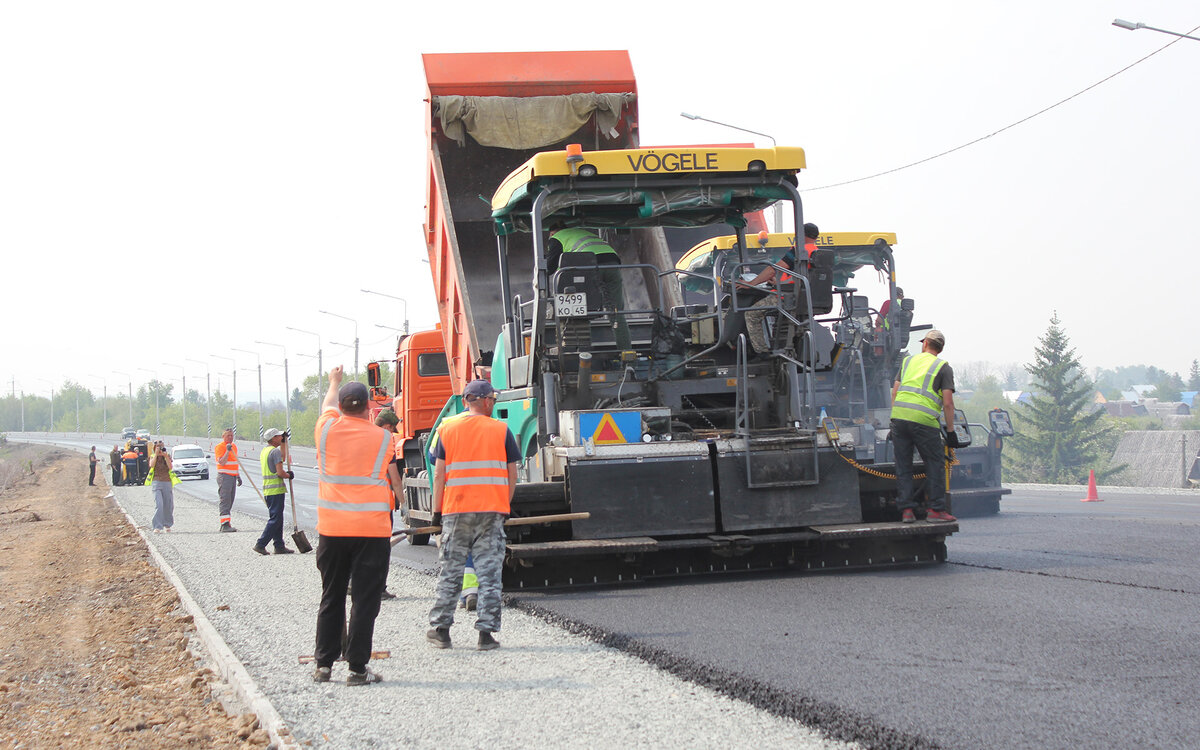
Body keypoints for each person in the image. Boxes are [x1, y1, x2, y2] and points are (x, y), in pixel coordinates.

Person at [312, 366, 393, 686]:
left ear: (341, 406)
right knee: (364, 600)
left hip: (332, 529)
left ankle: (324, 665)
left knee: (331, 596)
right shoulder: (384, 438)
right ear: (368, 408)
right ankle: (358, 669)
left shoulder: (326, 431)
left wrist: (333, 382)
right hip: (371, 532)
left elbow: (326, 406)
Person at [426, 378, 520, 652]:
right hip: (492, 512)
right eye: (492, 399)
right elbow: (511, 473)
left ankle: (441, 631)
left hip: (456, 511)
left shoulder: (448, 428)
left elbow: (440, 474)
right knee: (490, 575)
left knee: (451, 572)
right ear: (485, 401)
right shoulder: (501, 430)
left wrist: (436, 512)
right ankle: (486, 636)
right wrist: (506, 503)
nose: (494, 403)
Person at [890, 329, 958, 524]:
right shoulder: (943, 367)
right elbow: (947, 403)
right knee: (934, 464)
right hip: (924, 422)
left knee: (903, 466)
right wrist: (951, 431)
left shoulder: (908, 362)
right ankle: (936, 511)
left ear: (926, 343)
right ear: (940, 348)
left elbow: (895, 393)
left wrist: (895, 419)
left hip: (900, 419)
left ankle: (907, 512)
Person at [741, 222, 820, 355]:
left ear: (801, 234)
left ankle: (762, 353)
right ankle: (785, 347)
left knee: (751, 314)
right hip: (804, 298)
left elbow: (773, 270)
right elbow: (802, 278)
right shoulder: (816, 252)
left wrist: (751, 283)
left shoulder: (799, 251)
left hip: (787, 297)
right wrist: (778, 283)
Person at [546, 227, 631, 350]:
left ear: (552, 232)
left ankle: (580, 351)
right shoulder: (582, 233)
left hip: (591, 263)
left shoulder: (556, 237)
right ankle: (627, 355)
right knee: (617, 313)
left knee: (579, 308)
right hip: (612, 262)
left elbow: (550, 267)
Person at [253, 428, 295, 556]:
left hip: (268, 490)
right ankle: (261, 544)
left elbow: (281, 457)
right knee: (275, 519)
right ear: (273, 438)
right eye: (278, 436)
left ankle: (279, 545)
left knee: (278, 518)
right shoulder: (274, 451)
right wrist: (288, 475)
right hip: (275, 489)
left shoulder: (266, 451)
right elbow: (280, 472)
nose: (280, 437)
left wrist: (284, 443)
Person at [214, 428, 242, 532]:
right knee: (225, 500)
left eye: (231, 435)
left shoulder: (234, 446)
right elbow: (222, 462)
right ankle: (224, 524)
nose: (230, 437)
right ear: (223, 437)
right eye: (228, 436)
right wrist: (227, 450)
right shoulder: (220, 447)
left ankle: (227, 522)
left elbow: (234, 462)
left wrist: (238, 476)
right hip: (224, 476)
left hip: (232, 476)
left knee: (230, 500)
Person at [149, 441, 174, 532]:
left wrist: (165, 456)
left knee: (168, 504)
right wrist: (156, 454)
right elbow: (151, 465)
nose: (160, 449)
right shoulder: (152, 456)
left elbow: (170, 467)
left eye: (161, 447)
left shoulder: (167, 456)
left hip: (167, 481)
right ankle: (157, 526)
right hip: (156, 482)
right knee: (159, 504)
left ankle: (167, 524)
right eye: (158, 447)